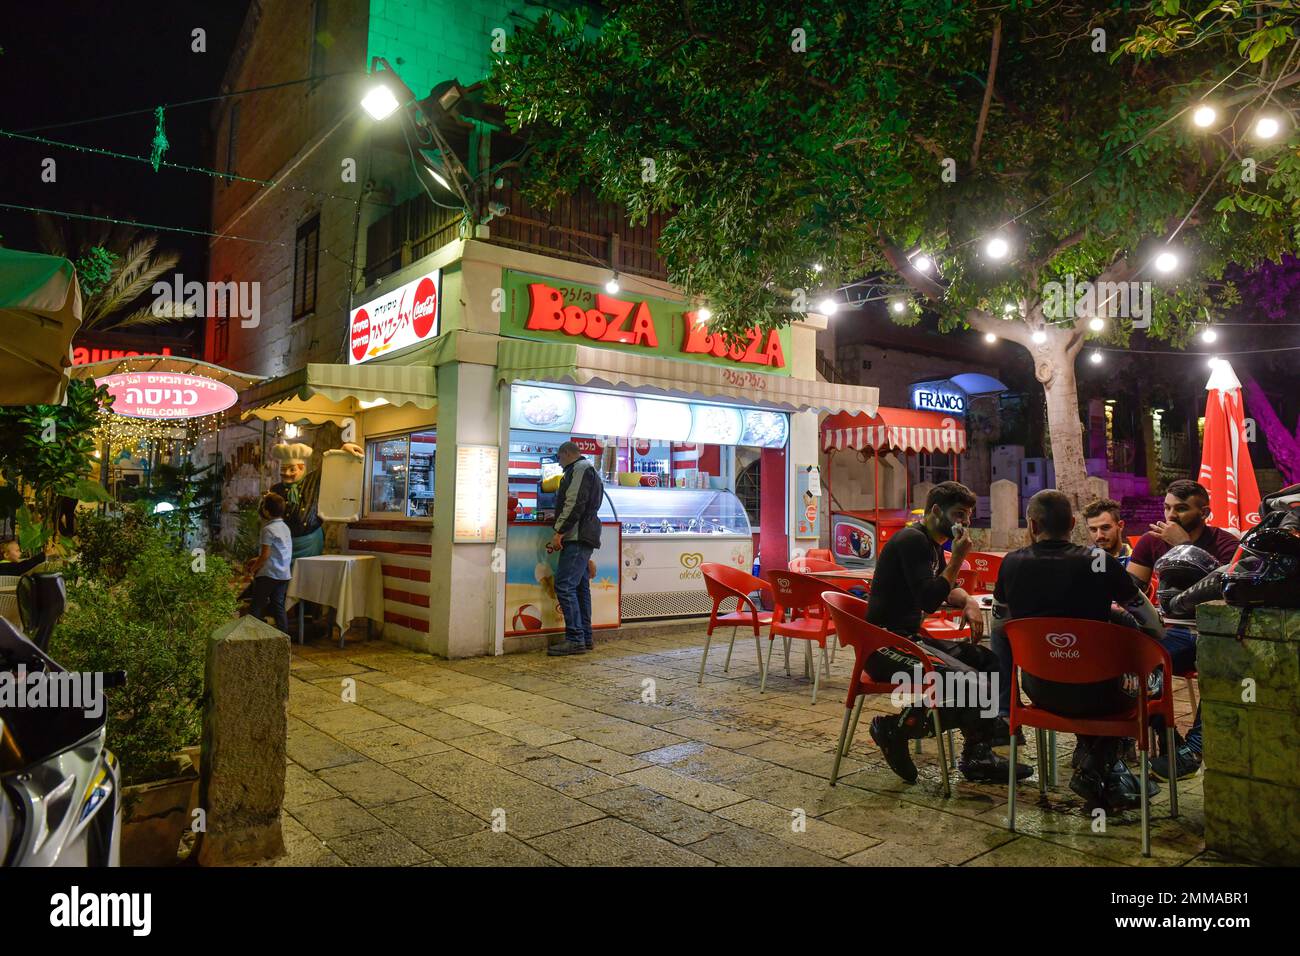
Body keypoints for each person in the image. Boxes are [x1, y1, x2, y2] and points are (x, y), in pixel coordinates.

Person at [992, 490, 1166, 811]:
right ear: (1073, 523)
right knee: (1146, 685)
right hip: (1099, 693)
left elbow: (999, 632)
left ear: (1032, 525)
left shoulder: (1011, 564)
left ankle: (1098, 766)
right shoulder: (1100, 561)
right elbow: (1151, 623)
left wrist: (1006, 704)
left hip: (1040, 690)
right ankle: (1096, 766)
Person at [865, 481, 1032, 785]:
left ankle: (977, 752)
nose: (965, 522)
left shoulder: (930, 544)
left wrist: (966, 599)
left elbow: (943, 587)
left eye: (968, 515)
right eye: (959, 514)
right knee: (965, 680)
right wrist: (956, 559)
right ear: (936, 511)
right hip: (884, 646)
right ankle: (896, 728)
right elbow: (928, 599)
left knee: (987, 662)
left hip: (909, 640)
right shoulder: (911, 541)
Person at [1128, 479, 1238, 781]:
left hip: (1209, 633)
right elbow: (1131, 589)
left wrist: (1183, 547)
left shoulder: (1225, 543)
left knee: (1225, 669)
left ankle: (1194, 749)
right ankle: (1167, 734)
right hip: (1167, 631)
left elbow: (1230, 591)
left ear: (1205, 512)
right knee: (1134, 666)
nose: (1171, 515)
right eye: (1167, 508)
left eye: (1181, 509)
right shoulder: (1151, 541)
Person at [547, 441, 604, 656]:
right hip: (582, 534)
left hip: (577, 534)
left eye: (560, 459)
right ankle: (585, 637)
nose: (560, 464)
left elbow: (574, 502)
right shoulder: (586, 469)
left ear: (567, 453)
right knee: (580, 587)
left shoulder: (579, 469)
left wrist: (560, 530)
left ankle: (575, 639)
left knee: (564, 586)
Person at [245, 492, 293, 634]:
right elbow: (278, 551)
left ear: (266, 510)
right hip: (283, 574)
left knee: (256, 607)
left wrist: (253, 568)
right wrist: (257, 559)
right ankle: (284, 638)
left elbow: (265, 555)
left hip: (269, 574)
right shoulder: (285, 527)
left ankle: (253, 637)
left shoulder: (268, 529)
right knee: (278, 606)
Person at [1083, 498, 1131, 565]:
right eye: (1093, 529)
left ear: (1120, 526)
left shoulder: (1135, 559)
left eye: (1105, 528)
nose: (1099, 535)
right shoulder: (1083, 559)